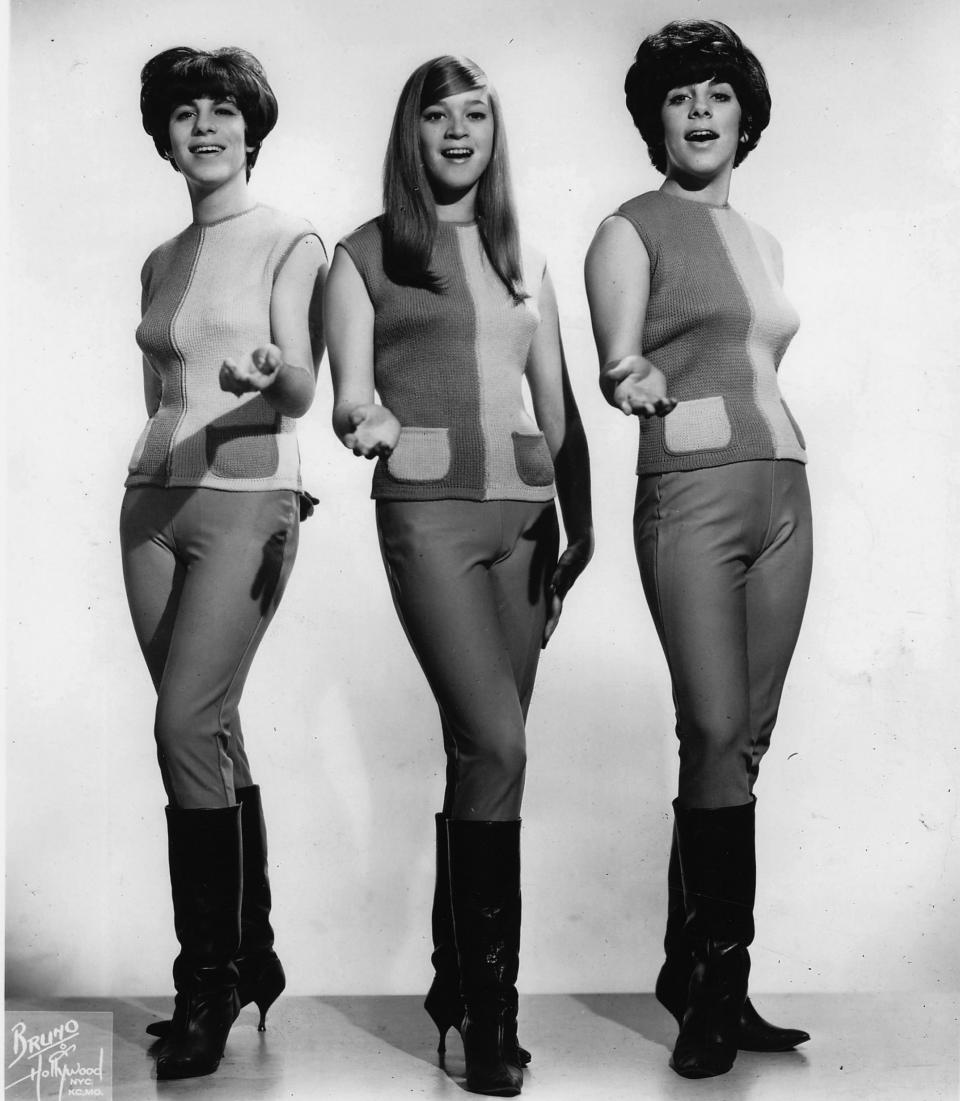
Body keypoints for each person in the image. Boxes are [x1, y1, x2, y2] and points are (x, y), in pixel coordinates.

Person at [325, 55, 593, 1097]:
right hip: (428, 513)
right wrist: (367, 418)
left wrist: (584, 530)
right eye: (437, 115)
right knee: (497, 742)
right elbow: (350, 394)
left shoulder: (527, 255)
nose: (457, 131)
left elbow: (559, 414)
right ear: (412, 132)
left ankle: (453, 986)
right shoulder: (364, 253)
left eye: (476, 114)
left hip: (526, 522)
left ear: (495, 132)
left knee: (484, 759)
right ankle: (493, 1019)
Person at [585, 19, 812, 1080]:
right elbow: (619, 359)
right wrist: (629, 380)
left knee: (745, 740)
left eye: (720, 94)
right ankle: (713, 992)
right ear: (655, 121)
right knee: (715, 727)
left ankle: (701, 974)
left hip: (785, 492)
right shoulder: (630, 228)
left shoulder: (764, 243)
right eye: (680, 97)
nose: (703, 112)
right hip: (691, 491)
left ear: (747, 117)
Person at [119, 46, 326, 1080]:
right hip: (149, 509)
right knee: (212, 729)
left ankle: (206, 984)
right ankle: (251, 958)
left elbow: (299, 389)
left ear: (253, 129)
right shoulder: (159, 260)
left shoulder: (292, 239)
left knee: (183, 724)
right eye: (186, 112)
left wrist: (269, 369)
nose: (204, 126)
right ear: (164, 135)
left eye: (223, 111)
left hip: (247, 501)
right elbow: (164, 392)